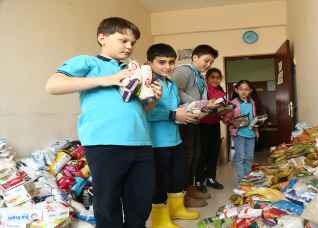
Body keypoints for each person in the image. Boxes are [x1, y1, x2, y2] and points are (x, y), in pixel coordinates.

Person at [45, 17, 162, 228]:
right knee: (108, 206)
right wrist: (106, 79)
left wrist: (153, 98)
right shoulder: (89, 62)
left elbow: (139, 109)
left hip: (142, 143)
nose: (129, 47)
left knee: (141, 204)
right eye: (123, 40)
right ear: (102, 38)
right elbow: (53, 85)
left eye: (132, 43)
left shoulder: (131, 70)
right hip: (105, 144)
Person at [145, 43, 200, 228]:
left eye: (171, 62)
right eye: (161, 62)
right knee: (160, 182)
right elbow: (145, 112)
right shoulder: (148, 84)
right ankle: (159, 220)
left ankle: (176, 210)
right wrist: (173, 115)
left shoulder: (171, 83)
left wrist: (188, 112)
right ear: (149, 63)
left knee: (178, 177)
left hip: (175, 139)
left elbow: (174, 108)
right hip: (156, 142)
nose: (168, 66)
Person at [171, 44, 218, 207]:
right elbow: (173, 90)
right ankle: (182, 195)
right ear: (195, 57)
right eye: (206, 60)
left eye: (211, 62)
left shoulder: (198, 76)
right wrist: (197, 102)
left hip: (195, 119)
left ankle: (189, 188)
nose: (208, 64)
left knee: (195, 156)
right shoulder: (184, 71)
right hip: (184, 119)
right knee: (187, 158)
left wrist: (207, 105)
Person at [223, 80, 259, 184]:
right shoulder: (233, 103)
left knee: (249, 157)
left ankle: (247, 178)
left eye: (246, 89)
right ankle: (242, 181)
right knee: (240, 156)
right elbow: (226, 119)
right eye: (241, 89)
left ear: (250, 91)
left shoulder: (252, 102)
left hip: (251, 133)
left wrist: (257, 125)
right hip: (239, 133)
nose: (244, 92)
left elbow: (253, 116)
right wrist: (234, 122)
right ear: (236, 90)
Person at [196, 68, 225, 192]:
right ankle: (199, 180)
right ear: (207, 78)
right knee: (202, 154)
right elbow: (199, 105)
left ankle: (211, 179)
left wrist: (226, 109)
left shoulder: (221, 91)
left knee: (214, 153)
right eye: (212, 77)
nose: (215, 80)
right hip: (202, 125)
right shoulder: (203, 89)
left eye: (218, 77)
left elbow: (222, 109)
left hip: (215, 125)